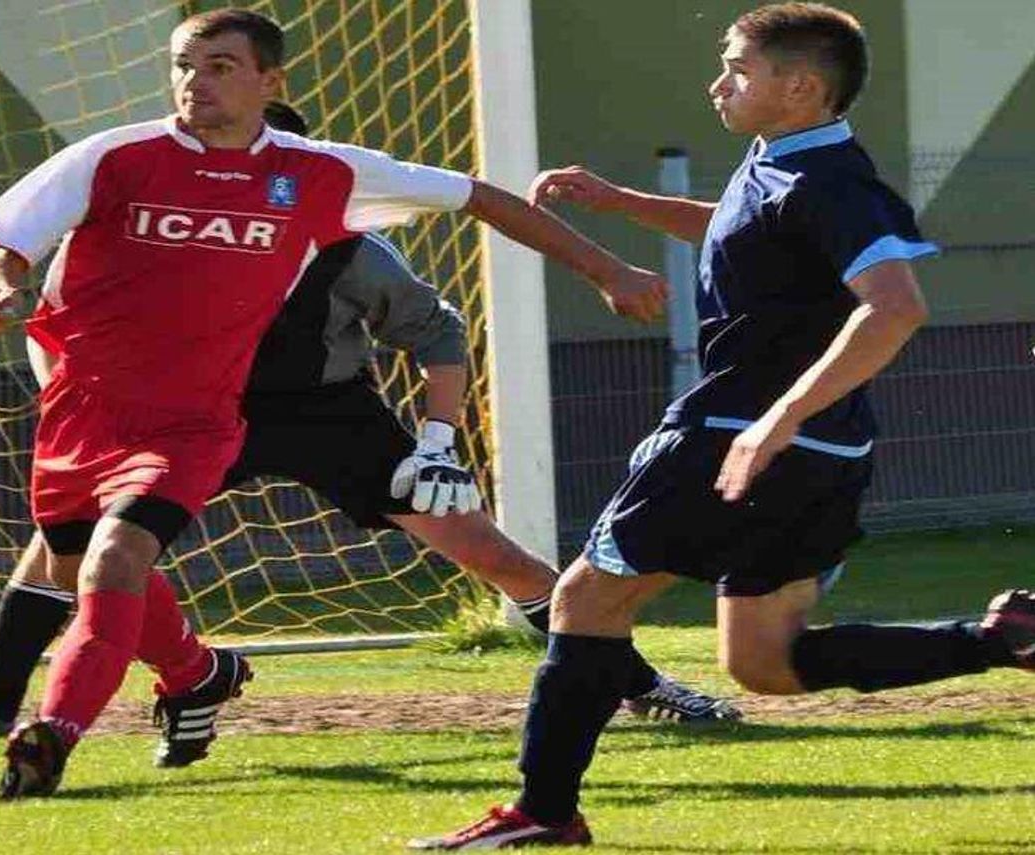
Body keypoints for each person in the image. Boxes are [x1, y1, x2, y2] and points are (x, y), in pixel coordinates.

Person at [0, 9, 668, 801]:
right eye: (185, 66)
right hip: (105, 414)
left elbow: (475, 214)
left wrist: (607, 272)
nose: (197, 82)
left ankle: (641, 681)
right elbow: (3, 251)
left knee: (477, 549)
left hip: (272, 416)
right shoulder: (114, 158)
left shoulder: (328, 183)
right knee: (74, 561)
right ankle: (155, 680)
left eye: (221, 66)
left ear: (271, 81)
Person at [410, 3, 1034, 848]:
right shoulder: (780, 164)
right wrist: (621, 202)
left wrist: (771, 421)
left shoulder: (834, 185)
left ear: (801, 86)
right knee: (765, 662)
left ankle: (543, 811)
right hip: (821, 453)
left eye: (738, 68)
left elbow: (895, 308)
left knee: (585, 598)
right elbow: (742, 229)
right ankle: (1003, 640)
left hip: (741, 436)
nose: (718, 83)